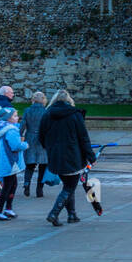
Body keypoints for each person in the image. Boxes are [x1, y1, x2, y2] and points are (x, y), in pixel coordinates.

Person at [38, 89, 96, 226]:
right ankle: (54, 213)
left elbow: (41, 136)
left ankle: (72, 214)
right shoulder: (75, 115)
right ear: (69, 100)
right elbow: (83, 138)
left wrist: (50, 148)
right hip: (73, 155)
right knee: (70, 187)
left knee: (68, 185)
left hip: (56, 156)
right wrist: (91, 156)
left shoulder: (47, 114)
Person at [0, 107, 28, 220]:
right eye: (15, 116)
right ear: (8, 118)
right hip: (11, 161)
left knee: (12, 184)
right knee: (8, 186)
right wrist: (25, 145)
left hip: (3, 160)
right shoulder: (11, 130)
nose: (17, 118)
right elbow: (15, 146)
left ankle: (8, 209)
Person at [21, 90, 48, 197]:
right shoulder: (46, 111)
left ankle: (27, 184)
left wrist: (19, 136)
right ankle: (39, 189)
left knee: (30, 165)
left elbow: (22, 125)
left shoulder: (27, 110)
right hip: (42, 139)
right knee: (43, 165)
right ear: (43, 100)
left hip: (30, 137)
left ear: (33, 100)